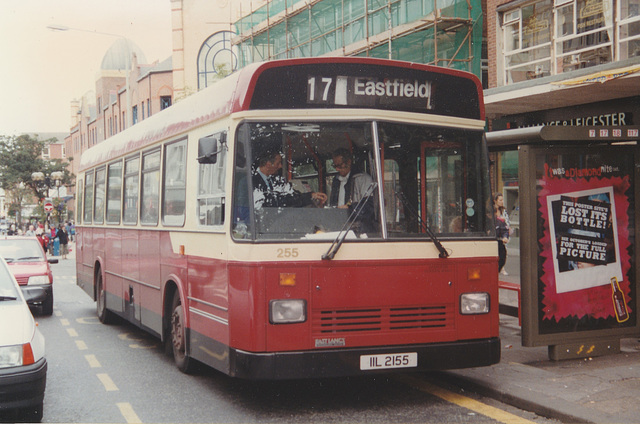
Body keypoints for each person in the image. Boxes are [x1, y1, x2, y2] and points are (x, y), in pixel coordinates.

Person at [253, 151, 327, 209]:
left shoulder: (277, 180)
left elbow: (291, 195)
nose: (280, 166)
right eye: (278, 163)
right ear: (268, 164)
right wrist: (308, 197)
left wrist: (311, 195)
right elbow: (276, 200)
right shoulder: (251, 182)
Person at [329, 148, 377, 233]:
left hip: (359, 229)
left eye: (339, 165)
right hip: (339, 227)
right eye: (335, 166)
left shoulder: (363, 179)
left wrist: (349, 208)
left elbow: (370, 207)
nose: (337, 169)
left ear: (349, 162)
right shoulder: (336, 181)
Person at [494, 193, 510, 276]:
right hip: (494, 238)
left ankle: (500, 269)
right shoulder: (492, 213)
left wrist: (505, 236)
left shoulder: (503, 211)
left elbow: (505, 226)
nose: (502, 202)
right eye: (500, 200)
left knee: (502, 254)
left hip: (500, 237)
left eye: (502, 200)